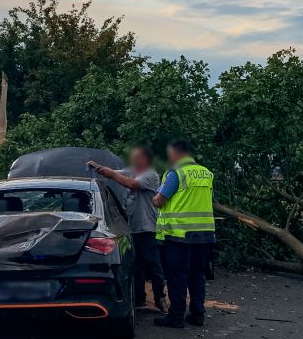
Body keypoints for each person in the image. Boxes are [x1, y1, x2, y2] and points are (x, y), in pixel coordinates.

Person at [88, 146, 166, 312]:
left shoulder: (149, 174)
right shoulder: (134, 170)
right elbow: (118, 172)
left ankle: (161, 299)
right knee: (135, 265)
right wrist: (99, 168)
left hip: (146, 228)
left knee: (153, 264)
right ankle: (139, 300)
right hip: (132, 228)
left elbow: (130, 183)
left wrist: (112, 174)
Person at [152, 139, 215, 328]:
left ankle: (176, 316)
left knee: (177, 276)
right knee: (198, 275)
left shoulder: (175, 173)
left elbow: (159, 200)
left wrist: (154, 196)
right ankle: (198, 314)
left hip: (179, 234)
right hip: (204, 235)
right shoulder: (206, 173)